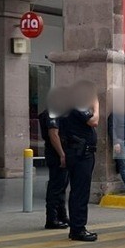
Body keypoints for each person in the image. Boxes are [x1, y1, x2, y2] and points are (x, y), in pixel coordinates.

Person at [57, 81, 100, 242]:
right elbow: (94, 121)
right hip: (81, 154)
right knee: (80, 192)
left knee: (78, 191)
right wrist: (96, 105)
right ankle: (78, 229)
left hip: (77, 152)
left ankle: (77, 227)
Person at [39, 88, 70, 230]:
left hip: (60, 152)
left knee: (62, 185)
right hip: (56, 153)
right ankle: (52, 218)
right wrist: (62, 154)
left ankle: (61, 215)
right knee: (56, 187)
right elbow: (53, 135)